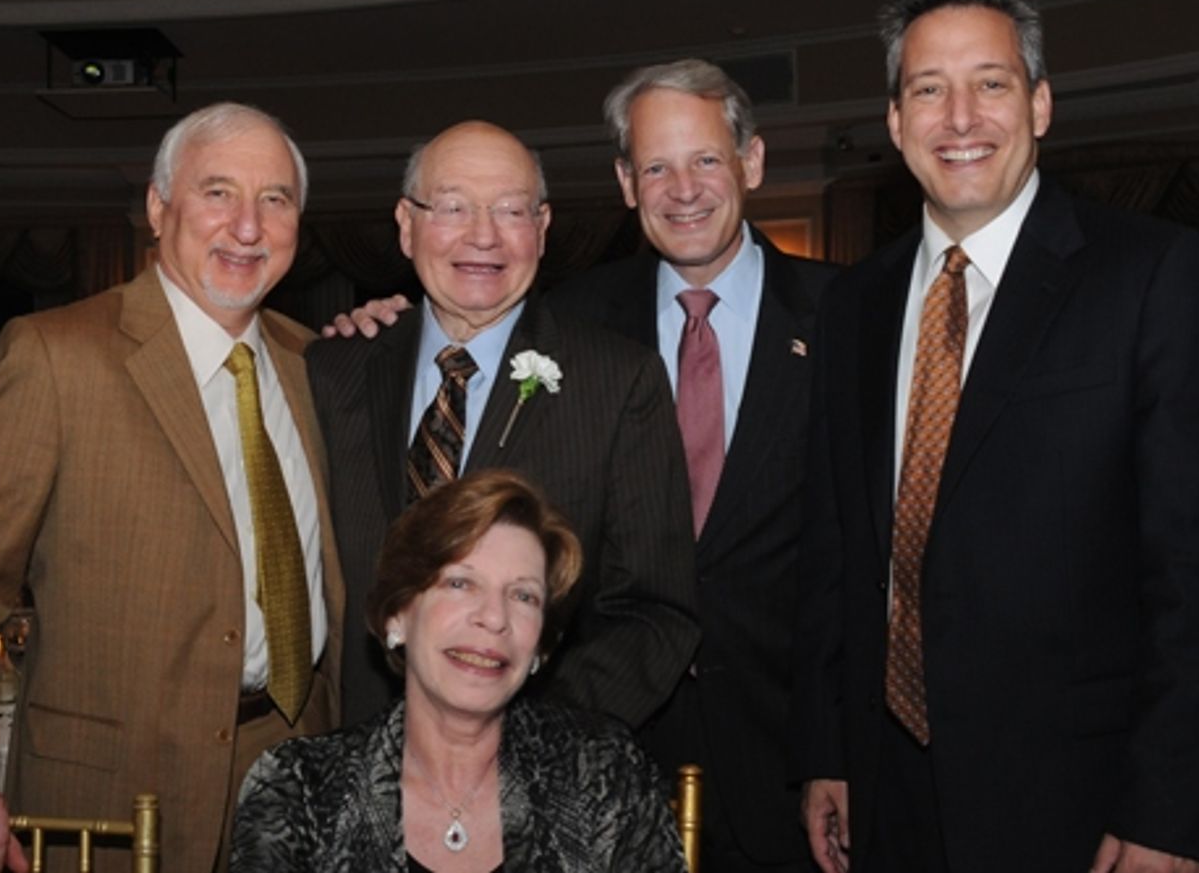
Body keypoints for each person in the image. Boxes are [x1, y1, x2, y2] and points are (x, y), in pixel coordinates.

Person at [792, 0, 1199, 873]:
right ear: (895, 121)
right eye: (929, 89)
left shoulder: (1152, 275)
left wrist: (1171, 812)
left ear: (1039, 103)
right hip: (886, 792)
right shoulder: (854, 303)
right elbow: (836, 549)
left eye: (990, 83)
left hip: (1082, 802)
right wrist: (828, 749)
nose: (960, 117)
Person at [0, 101, 345, 873]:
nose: (248, 226)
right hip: (115, 801)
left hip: (300, 783)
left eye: (276, 199)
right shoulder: (55, 357)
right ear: (159, 208)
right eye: (218, 192)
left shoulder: (316, 366)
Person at [540, 59, 835, 872]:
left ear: (752, 161)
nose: (683, 190)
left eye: (705, 159)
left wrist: (838, 749)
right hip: (611, 757)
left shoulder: (848, 314)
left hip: (797, 762)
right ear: (625, 183)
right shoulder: (569, 324)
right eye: (656, 168)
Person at [307, 120, 698, 730]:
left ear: (541, 230)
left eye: (511, 211)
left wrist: (529, 743)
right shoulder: (333, 370)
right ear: (406, 226)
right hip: (354, 752)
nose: (483, 235)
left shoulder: (619, 382)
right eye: (453, 207)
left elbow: (654, 610)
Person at [231, 468, 686, 872]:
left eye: (523, 595)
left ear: (540, 646)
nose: (494, 617)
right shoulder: (300, 789)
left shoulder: (604, 775)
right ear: (398, 614)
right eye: (461, 583)